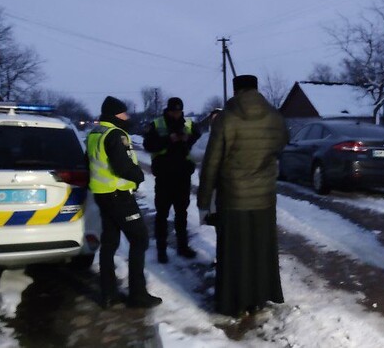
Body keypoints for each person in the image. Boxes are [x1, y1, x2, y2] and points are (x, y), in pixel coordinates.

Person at [196, 74, 289, 317]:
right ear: (256, 89)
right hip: (264, 197)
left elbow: (212, 162)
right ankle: (258, 298)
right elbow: (282, 144)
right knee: (260, 250)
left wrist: (204, 201)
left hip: (233, 197)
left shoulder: (226, 119)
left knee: (234, 252)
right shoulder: (275, 117)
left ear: (236, 91)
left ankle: (233, 303)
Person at [87, 96, 162, 309]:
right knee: (139, 239)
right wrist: (139, 175)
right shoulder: (115, 134)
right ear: (115, 114)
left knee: (109, 243)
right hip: (118, 195)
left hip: (102, 194)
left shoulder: (95, 133)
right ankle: (138, 294)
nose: (127, 116)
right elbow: (122, 166)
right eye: (123, 113)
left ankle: (109, 294)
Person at [143, 97, 201, 263]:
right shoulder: (157, 124)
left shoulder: (189, 124)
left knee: (182, 213)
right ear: (168, 110)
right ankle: (161, 250)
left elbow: (199, 142)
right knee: (162, 213)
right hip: (164, 177)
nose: (176, 114)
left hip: (183, 176)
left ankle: (183, 247)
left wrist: (187, 139)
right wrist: (169, 139)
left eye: (178, 111)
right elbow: (148, 145)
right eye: (173, 111)